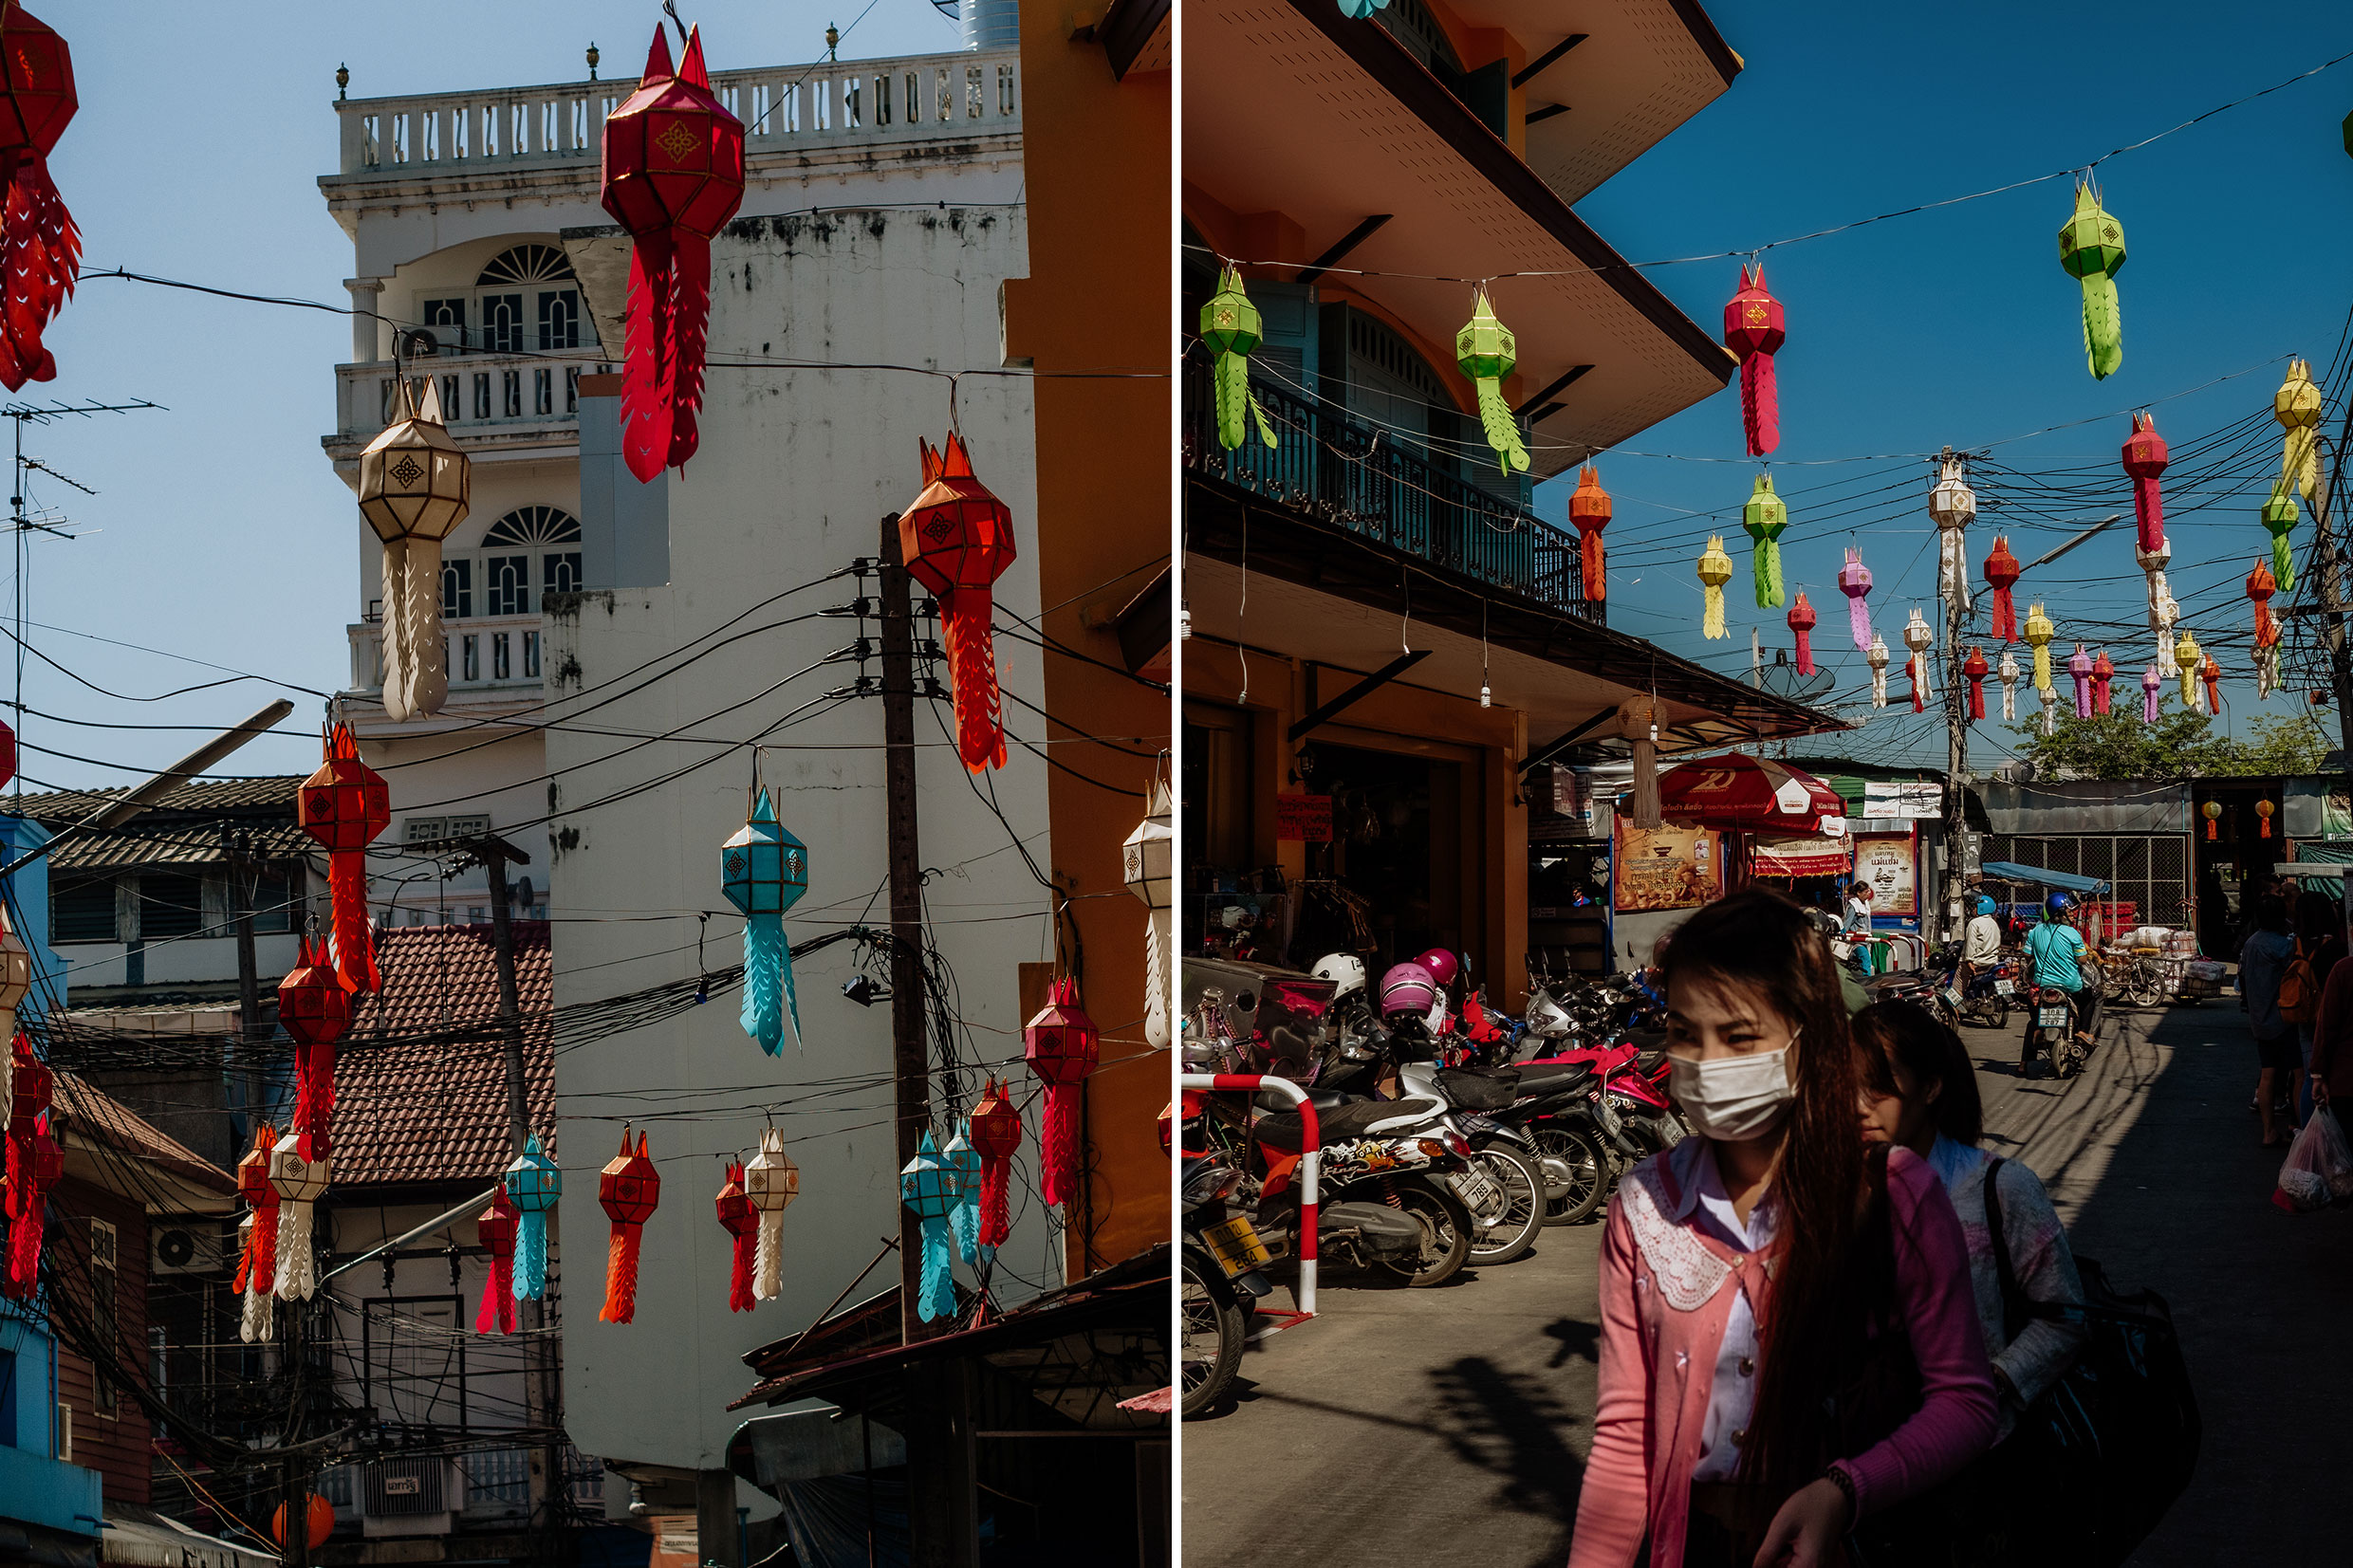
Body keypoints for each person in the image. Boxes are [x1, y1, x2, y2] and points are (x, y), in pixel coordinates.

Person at [1569, 889, 1995, 1568]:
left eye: (1739, 1036)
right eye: (1684, 1032)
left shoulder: (1894, 1191)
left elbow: (1966, 1402)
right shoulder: (1642, 1206)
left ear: (1807, 1037)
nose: (1706, 1062)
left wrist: (1844, 1490)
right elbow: (1625, 1442)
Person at [1853, 1002, 2084, 1442]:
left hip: (1980, 1451)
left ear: (1931, 1088)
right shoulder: (1828, 1195)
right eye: (1847, 1086)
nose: (1859, 1105)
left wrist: (1987, 1385)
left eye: (1879, 1086)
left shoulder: (2000, 1187)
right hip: (1861, 1451)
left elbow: (2064, 1317)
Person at [2238, 895, 2299, 1148]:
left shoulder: (2251, 943)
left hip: (2259, 1018)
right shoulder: (2282, 944)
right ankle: (2301, 1129)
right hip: (2282, 1018)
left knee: (2267, 1074)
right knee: (2300, 1073)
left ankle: (2268, 1131)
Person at [2288, 890, 2346, 1124]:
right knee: (2325, 1073)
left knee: (2309, 1074)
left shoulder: (2297, 943)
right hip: (2327, 1013)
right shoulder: (2335, 948)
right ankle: (2323, 1125)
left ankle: (2306, 1128)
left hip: (2302, 1012)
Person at [2019, 893, 2093, 1078]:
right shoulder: (2072, 933)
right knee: (2092, 996)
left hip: (2042, 985)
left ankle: (2023, 1062)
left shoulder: (2035, 931)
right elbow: (2082, 959)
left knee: (2033, 1021)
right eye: (2068, 911)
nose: (2071, 914)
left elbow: (2027, 955)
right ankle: (2083, 1031)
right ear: (2059, 912)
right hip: (2070, 986)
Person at [1963, 895, 2004, 974]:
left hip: (1978, 962)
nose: (1973, 909)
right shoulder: (1994, 923)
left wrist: (1969, 960)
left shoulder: (1974, 923)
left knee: (1958, 980)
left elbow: (1971, 944)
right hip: (1993, 962)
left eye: (1975, 907)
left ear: (1981, 908)